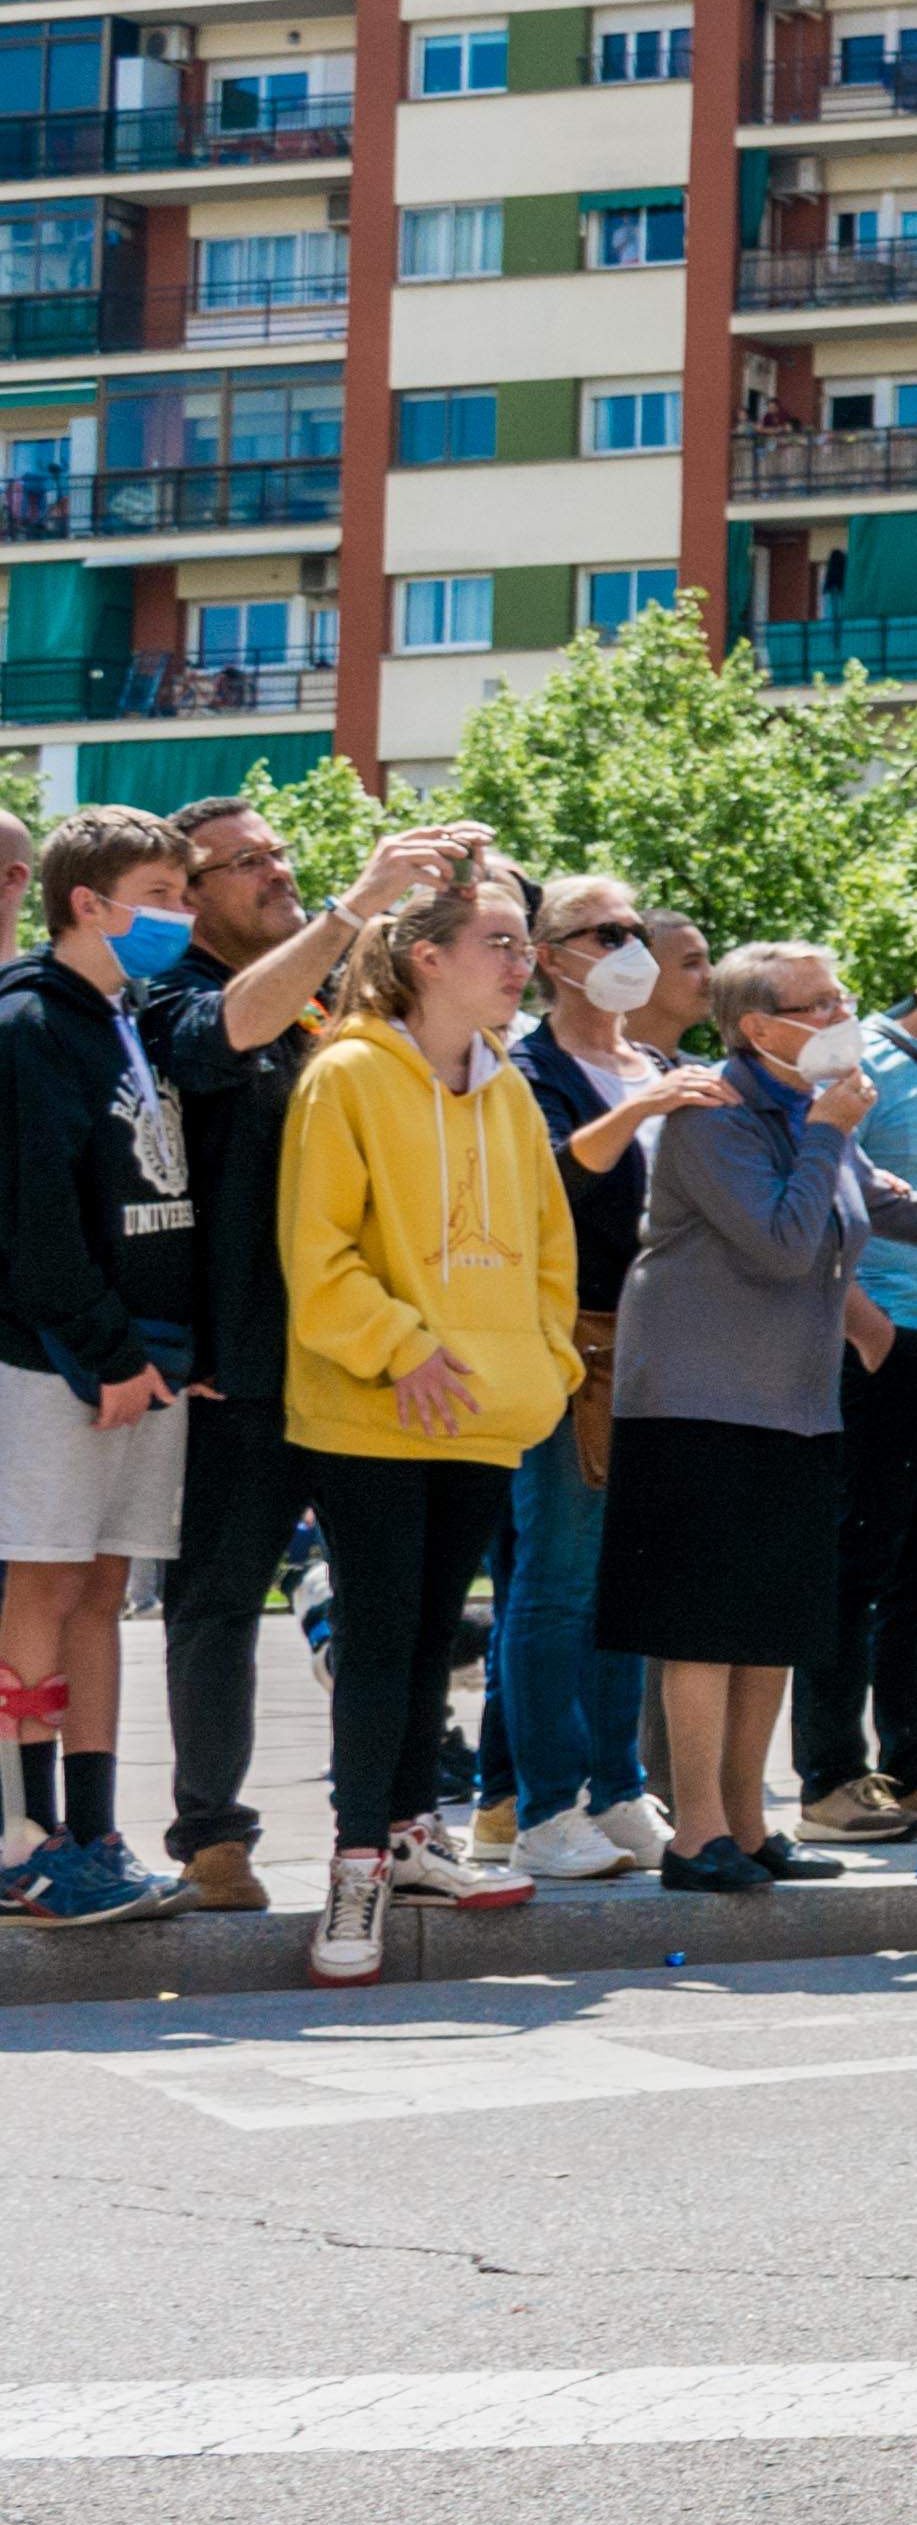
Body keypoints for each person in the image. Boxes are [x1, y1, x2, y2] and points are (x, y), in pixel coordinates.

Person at [147, 802, 472, 1910]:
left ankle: (397, 1823)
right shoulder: (173, 990)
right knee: (219, 1599)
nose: (272, 873)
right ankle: (214, 1839)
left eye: (277, 854)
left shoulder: (329, 1004)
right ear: (187, 896)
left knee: (396, 1605)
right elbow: (223, 1033)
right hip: (240, 1368)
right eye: (241, 865)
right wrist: (354, 907)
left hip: (365, 1356)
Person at [281, 844, 586, 1982]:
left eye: (522, 944)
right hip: (368, 1409)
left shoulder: (506, 1083)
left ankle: (413, 1835)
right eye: (499, 944)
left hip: (487, 1410)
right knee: (378, 1638)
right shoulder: (345, 1073)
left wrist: (545, 1364)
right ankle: (357, 1864)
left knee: (425, 1642)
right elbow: (318, 1253)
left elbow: (549, 1249)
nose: (523, 962)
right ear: (426, 958)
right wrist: (401, 1348)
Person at [600, 941, 917, 1896]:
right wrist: (830, 1133)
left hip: (795, 1408)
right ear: (758, 1027)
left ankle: (752, 1828)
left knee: (773, 1627)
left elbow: (885, 1206)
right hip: (698, 1402)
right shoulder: (715, 1114)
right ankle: (697, 1837)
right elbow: (782, 1243)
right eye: (818, 1001)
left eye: (842, 993)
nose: (841, 1012)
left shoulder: (815, 1112)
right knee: (705, 1627)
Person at [0, 812, 228, 1924]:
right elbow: (33, 1220)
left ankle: (89, 1829)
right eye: (161, 890)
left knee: (101, 1591)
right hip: (56, 1364)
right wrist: (110, 1355)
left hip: (148, 1364)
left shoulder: (128, 1015)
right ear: (88, 901)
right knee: (38, 1581)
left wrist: (178, 1353)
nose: (181, 913)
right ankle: (18, 1840)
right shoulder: (32, 1019)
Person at [495, 871, 722, 1877]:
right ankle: (542, 1809)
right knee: (555, 1579)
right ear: (551, 958)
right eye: (602, 931)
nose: (627, 944)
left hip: (667, 1342)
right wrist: (644, 1105)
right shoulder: (525, 1067)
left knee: (628, 1581)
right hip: (571, 1340)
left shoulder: (655, 1061)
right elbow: (545, 1178)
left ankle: (618, 1786)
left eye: (635, 927)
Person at [797, 932, 917, 1843]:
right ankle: (831, 1773)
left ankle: (912, 1762)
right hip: (887, 1348)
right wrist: (864, 1326)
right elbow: (821, 1192)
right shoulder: (866, 1059)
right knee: (851, 1565)